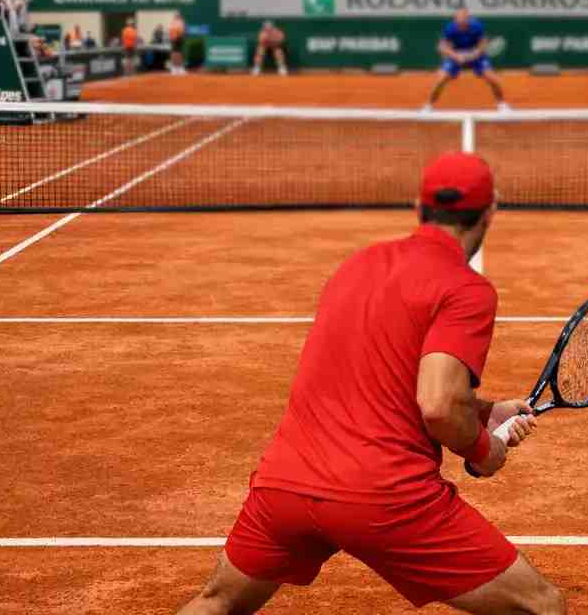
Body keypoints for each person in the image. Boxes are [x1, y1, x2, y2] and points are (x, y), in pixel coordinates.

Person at [174, 152, 563, 615]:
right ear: (491, 212)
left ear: (417, 207)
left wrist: (484, 410)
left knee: (217, 603)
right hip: (383, 498)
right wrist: (484, 449)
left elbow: (374, 376)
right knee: (541, 606)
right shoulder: (465, 289)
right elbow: (438, 406)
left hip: (286, 486)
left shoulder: (357, 264)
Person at [425, 8, 508, 111]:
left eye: (464, 21)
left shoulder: (477, 26)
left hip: (475, 56)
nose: (461, 24)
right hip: (456, 54)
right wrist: (455, 56)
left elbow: (484, 43)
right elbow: (441, 47)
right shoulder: (450, 28)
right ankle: (429, 105)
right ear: (455, 20)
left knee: (492, 78)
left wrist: (475, 53)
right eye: (459, 22)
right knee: (441, 79)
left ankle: (501, 104)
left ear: (468, 19)